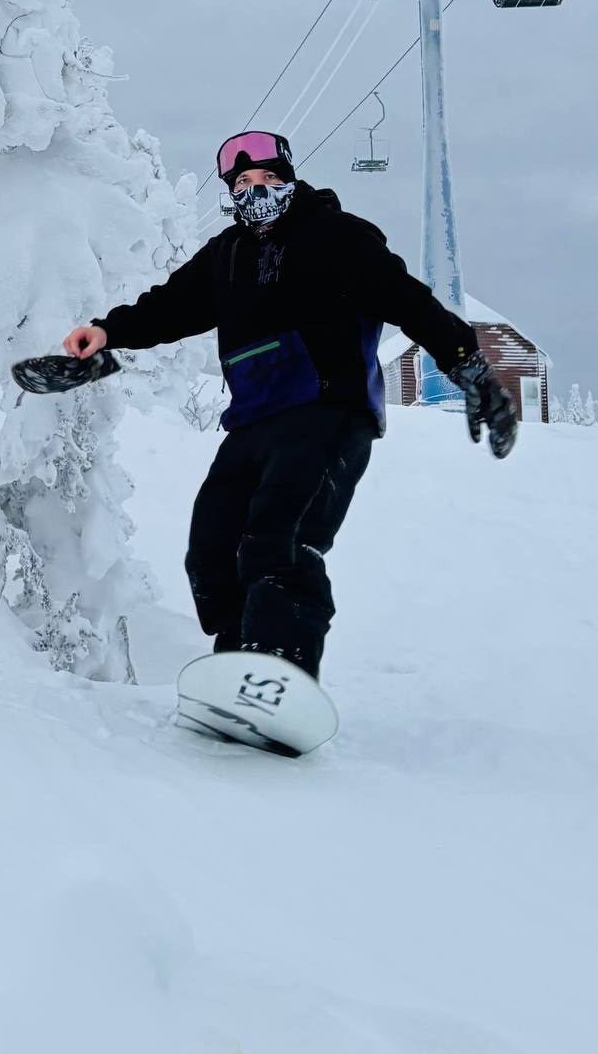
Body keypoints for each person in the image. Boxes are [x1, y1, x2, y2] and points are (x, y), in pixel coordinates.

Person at [62, 128, 516, 680]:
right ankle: (236, 674)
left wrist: (468, 365)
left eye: (269, 179)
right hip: (254, 421)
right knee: (212, 550)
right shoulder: (227, 256)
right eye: (244, 183)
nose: (257, 191)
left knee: (282, 540)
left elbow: (409, 301)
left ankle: (280, 674)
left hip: (327, 413)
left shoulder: (337, 237)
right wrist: (107, 333)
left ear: (290, 179)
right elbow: (169, 308)